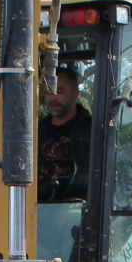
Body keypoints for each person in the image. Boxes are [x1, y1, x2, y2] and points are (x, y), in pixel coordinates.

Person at [37, 64, 93, 202]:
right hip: (38, 208)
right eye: (49, 92)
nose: (53, 98)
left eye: (59, 91)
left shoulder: (92, 129)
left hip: (76, 207)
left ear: (75, 94)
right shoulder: (36, 130)